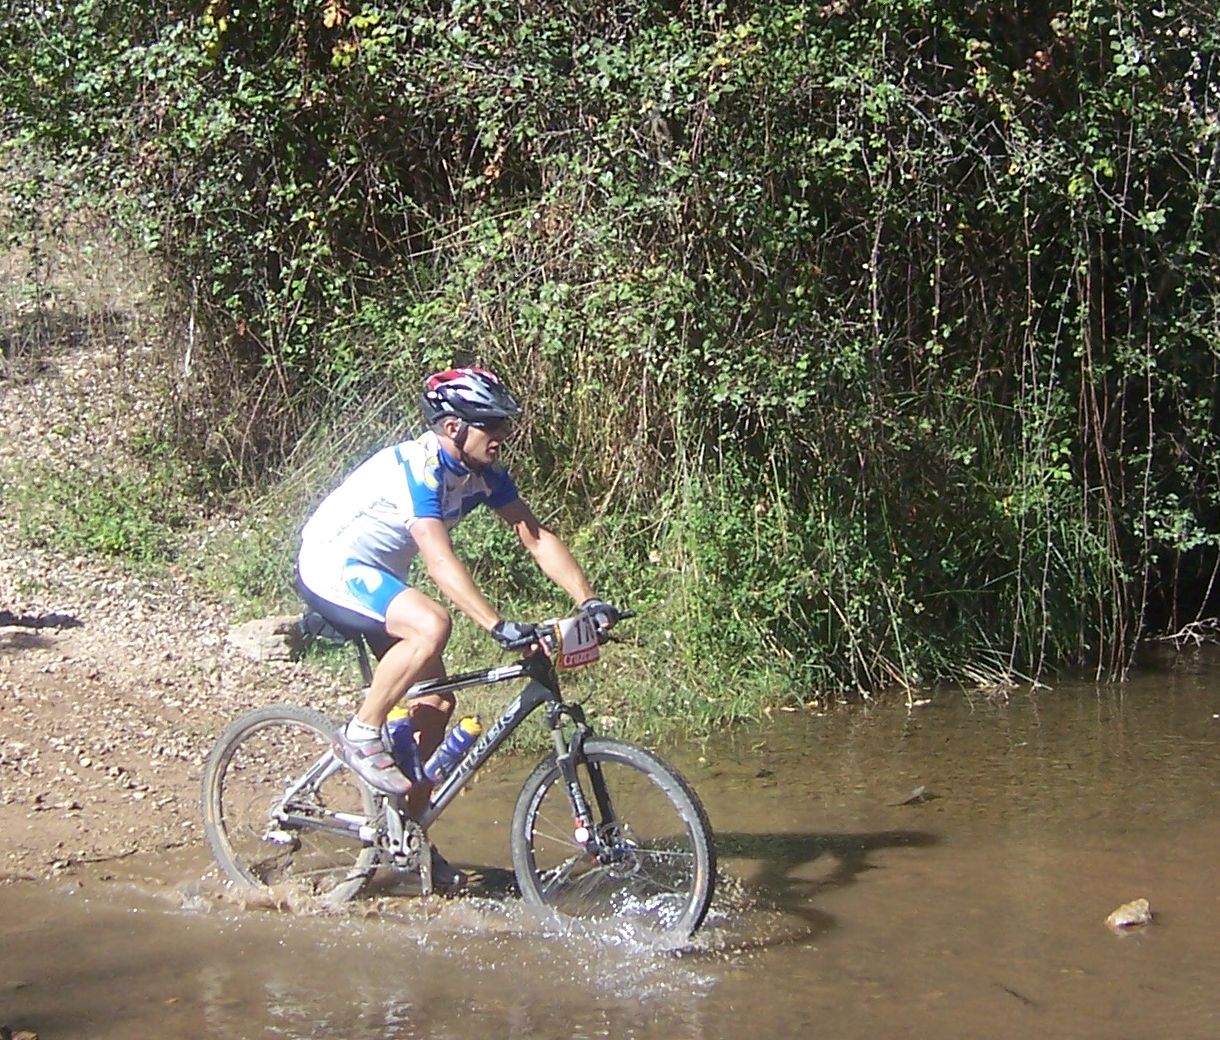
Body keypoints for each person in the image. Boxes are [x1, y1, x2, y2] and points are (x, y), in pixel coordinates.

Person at [296, 366, 620, 888]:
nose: (502, 435)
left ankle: (404, 837)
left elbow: (536, 537)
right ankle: (361, 732)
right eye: (490, 425)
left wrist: (589, 599)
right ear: (452, 427)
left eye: (503, 424)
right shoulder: (418, 469)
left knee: (436, 704)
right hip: (331, 565)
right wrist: (496, 625)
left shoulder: (482, 473)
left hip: (379, 577)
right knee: (431, 625)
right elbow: (439, 561)